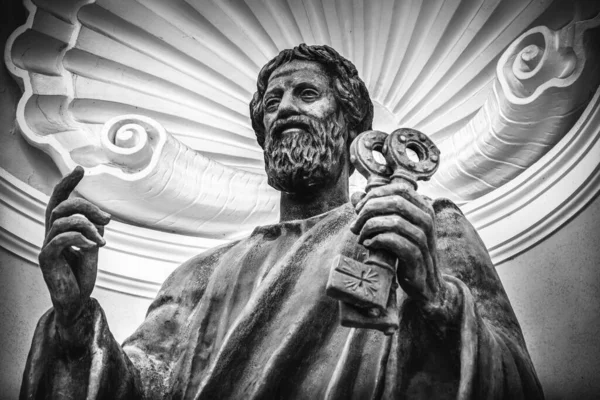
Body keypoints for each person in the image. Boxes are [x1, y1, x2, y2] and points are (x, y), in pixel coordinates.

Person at [21, 44, 544, 399]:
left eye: (307, 95)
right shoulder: (198, 278)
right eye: (272, 102)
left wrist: (436, 299)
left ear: (352, 127)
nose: (285, 109)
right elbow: (138, 388)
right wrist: (73, 319)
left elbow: (515, 380)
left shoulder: (425, 229)